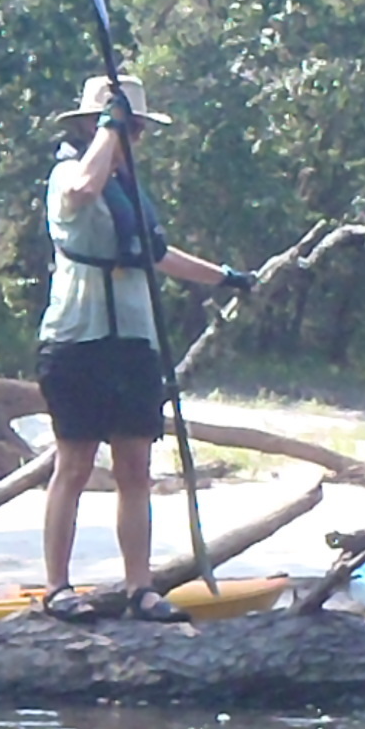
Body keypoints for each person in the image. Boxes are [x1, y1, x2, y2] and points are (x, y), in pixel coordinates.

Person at [36, 74, 258, 624]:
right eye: (126, 126)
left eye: (136, 128)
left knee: (136, 468)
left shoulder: (133, 193)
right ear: (93, 125)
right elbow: (84, 190)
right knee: (75, 464)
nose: (134, 137)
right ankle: (57, 588)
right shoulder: (71, 174)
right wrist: (108, 128)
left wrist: (225, 278)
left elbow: (157, 255)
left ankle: (141, 588)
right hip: (77, 341)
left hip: (133, 344)